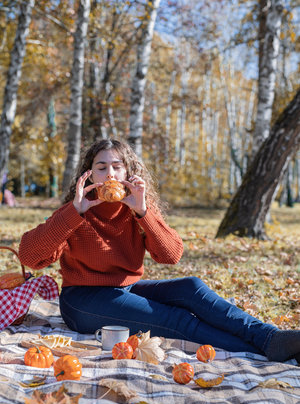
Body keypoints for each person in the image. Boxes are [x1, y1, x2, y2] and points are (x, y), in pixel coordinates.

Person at [19, 138, 300, 363]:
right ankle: (265, 351)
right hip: (83, 301)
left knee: (192, 288)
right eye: (102, 167)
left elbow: (171, 255)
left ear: (129, 172)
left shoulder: (136, 207)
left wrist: (143, 212)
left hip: (125, 289)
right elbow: (30, 257)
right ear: (89, 174)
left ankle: (269, 338)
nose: (110, 175)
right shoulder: (77, 210)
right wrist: (72, 213)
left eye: (117, 167)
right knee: (173, 320)